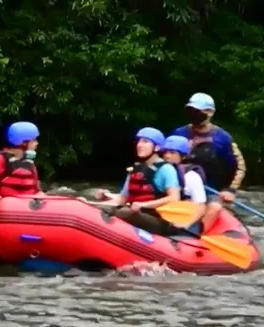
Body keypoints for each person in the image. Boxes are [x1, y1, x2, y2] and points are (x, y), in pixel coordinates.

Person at [170, 93, 247, 230]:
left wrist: (230, 190)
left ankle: (199, 235)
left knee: (215, 208)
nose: (193, 114)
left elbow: (239, 166)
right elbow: (165, 159)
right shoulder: (179, 133)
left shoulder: (223, 138)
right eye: (190, 110)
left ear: (210, 113)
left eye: (197, 111)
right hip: (180, 186)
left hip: (210, 190)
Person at [89, 127, 181, 236]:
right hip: (133, 212)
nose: (139, 145)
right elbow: (122, 199)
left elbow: (174, 198)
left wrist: (144, 205)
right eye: (138, 141)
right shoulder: (134, 169)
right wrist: (94, 201)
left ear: (156, 147)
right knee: (97, 207)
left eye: (145, 142)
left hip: (156, 218)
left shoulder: (166, 169)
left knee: (124, 212)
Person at [0, 121, 43, 206]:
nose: (37, 143)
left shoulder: (29, 164)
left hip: (25, 208)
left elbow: (37, 192)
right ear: (24, 142)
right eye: (34, 140)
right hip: (3, 209)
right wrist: (2, 201)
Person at [161, 135, 207, 234]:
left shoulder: (191, 176)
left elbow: (201, 206)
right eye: (165, 152)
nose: (167, 156)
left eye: (173, 153)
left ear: (183, 156)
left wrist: (187, 223)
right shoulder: (159, 171)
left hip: (185, 218)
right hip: (164, 216)